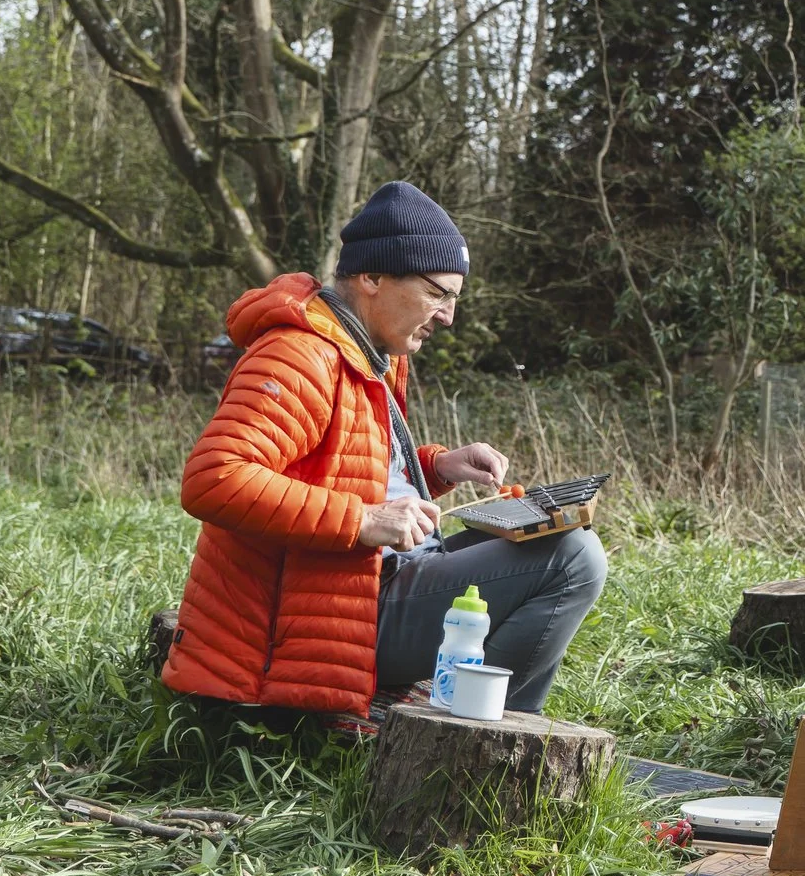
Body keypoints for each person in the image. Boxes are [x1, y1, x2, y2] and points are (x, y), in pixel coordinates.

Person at [160, 182, 607, 717]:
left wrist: (436, 468)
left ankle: (480, 722)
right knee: (573, 560)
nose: (447, 316)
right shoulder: (298, 355)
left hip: (372, 588)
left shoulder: (368, 350)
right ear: (372, 277)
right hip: (325, 624)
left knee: (556, 534)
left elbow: (339, 467)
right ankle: (484, 738)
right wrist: (365, 519)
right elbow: (215, 479)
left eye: (454, 299)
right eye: (437, 293)